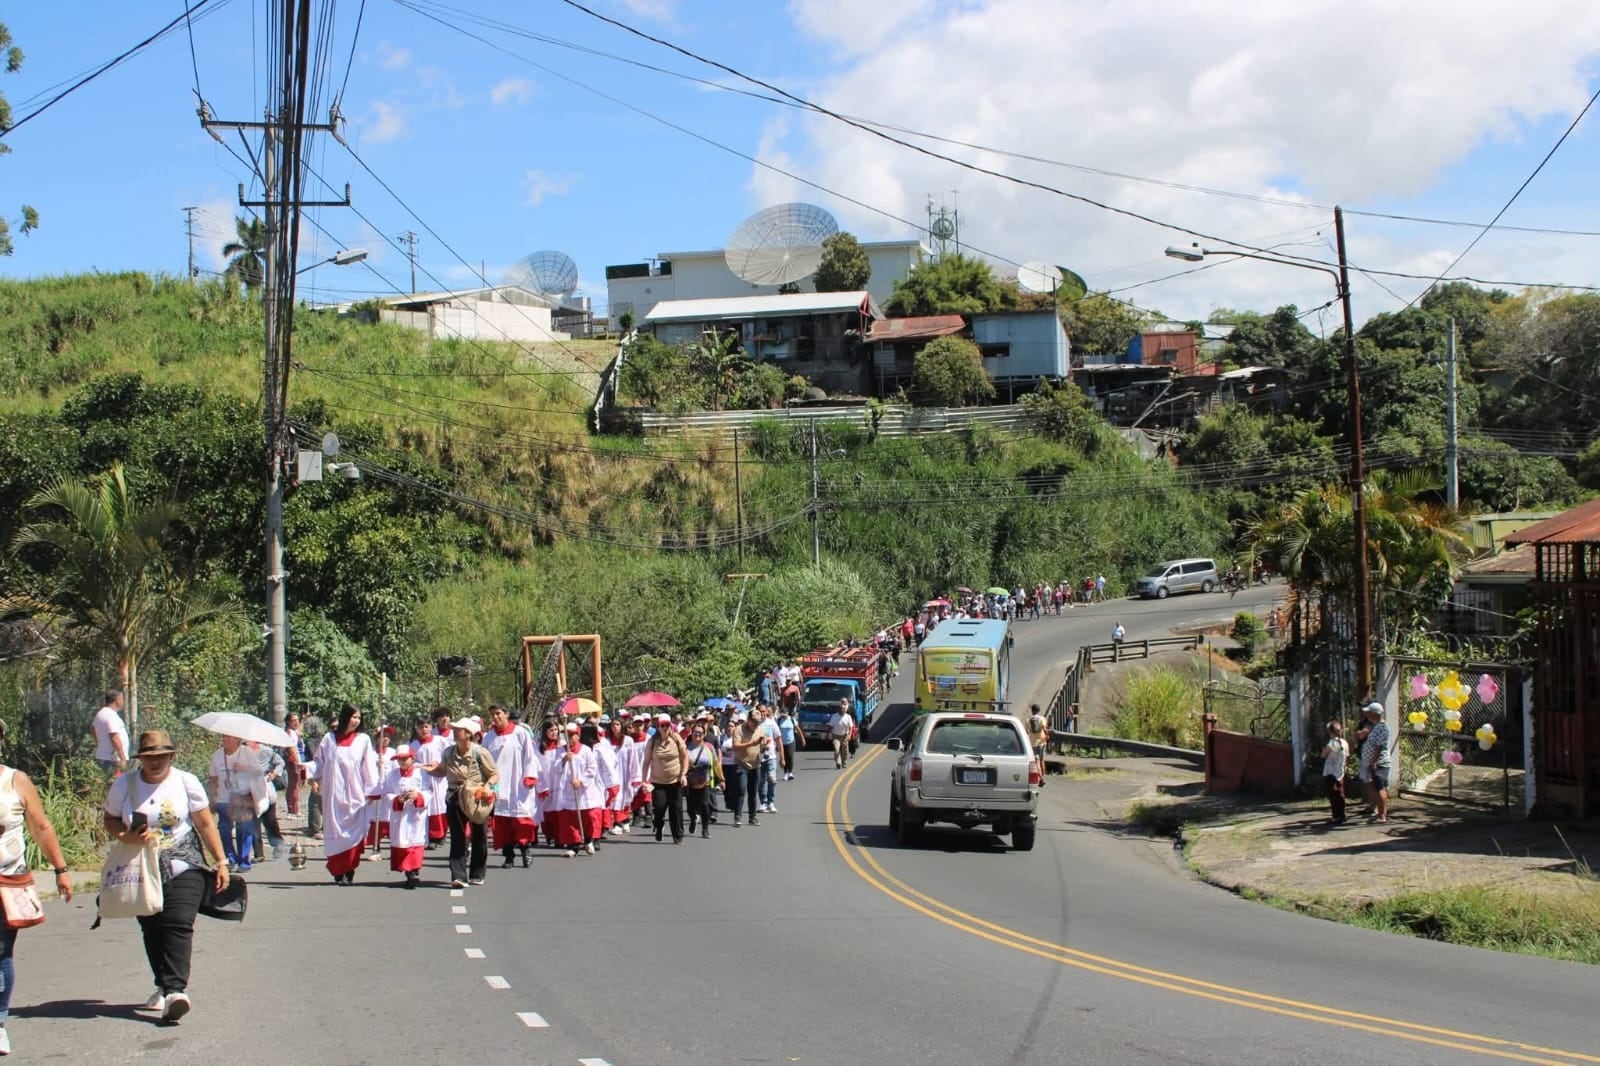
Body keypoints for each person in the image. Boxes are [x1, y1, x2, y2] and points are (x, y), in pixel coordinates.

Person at [103, 730, 229, 1026]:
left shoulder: (185, 782)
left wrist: (221, 860)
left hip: (184, 862)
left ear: (172, 756)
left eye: (161, 756)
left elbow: (204, 821)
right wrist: (126, 836)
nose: (156, 762)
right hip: (142, 867)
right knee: (152, 927)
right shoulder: (125, 784)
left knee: (178, 923)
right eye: (149, 757)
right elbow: (109, 819)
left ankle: (175, 991)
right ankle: (162, 982)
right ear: (141, 759)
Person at [0, 719, 73, 1055]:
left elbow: (41, 827)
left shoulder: (15, 781)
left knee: (0, 953)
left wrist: (61, 869)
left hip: (6, 882)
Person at [309, 704, 379, 885]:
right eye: (353, 717)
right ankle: (337, 870)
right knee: (335, 833)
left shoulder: (363, 739)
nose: (356, 721)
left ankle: (350, 870)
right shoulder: (329, 739)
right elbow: (319, 763)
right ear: (345, 717)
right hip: (333, 796)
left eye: (358, 717)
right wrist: (305, 770)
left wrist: (372, 789)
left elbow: (369, 766)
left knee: (353, 833)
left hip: (355, 795)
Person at [424, 718, 499, 886]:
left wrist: (488, 786)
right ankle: (458, 875)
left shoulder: (480, 753)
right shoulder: (448, 752)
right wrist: (431, 770)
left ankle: (477, 873)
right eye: (455, 729)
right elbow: (442, 771)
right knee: (457, 837)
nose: (455, 731)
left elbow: (494, 773)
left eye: (459, 729)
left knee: (479, 836)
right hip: (454, 797)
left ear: (469, 734)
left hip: (476, 798)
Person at [482, 704, 539, 869]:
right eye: (492, 714)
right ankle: (508, 855)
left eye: (498, 713)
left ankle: (525, 850)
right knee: (502, 822)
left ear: (506, 714)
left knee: (521, 819)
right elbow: (483, 761)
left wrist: (530, 776)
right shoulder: (488, 737)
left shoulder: (520, 733)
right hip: (497, 785)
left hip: (517, 782)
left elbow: (530, 756)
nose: (495, 717)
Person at [206, 734, 263, 873]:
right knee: (224, 829)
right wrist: (211, 798)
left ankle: (244, 861)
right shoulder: (218, 755)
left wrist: (243, 768)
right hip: (223, 798)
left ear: (238, 739)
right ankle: (230, 859)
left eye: (228, 737)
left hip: (242, 798)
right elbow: (213, 778)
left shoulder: (246, 752)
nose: (224, 739)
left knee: (244, 828)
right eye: (223, 736)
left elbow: (258, 772)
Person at [543, 723, 602, 857]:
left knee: (588, 816)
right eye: (566, 735)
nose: (569, 738)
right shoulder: (560, 750)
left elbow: (592, 768)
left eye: (572, 735)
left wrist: (581, 780)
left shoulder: (586, 750)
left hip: (584, 790)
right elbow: (556, 769)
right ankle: (573, 845)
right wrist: (564, 760)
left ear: (578, 735)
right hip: (568, 789)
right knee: (570, 818)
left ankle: (589, 840)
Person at [380, 745, 429, 888]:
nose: (402, 762)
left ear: (412, 758)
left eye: (405, 758)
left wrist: (418, 796)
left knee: (416, 839)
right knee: (402, 840)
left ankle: (414, 870)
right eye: (399, 759)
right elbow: (386, 793)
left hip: (416, 813)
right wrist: (396, 799)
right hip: (400, 815)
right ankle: (408, 870)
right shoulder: (392, 775)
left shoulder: (421, 774)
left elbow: (429, 791)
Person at [640, 712, 688, 843]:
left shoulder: (677, 739)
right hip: (658, 781)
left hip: (675, 780)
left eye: (667, 725)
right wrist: (644, 781)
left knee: (676, 808)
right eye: (662, 725)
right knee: (660, 807)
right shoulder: (652, 741)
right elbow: (646, 762)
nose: (665, 728)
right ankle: (659, 825)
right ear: (658, 726)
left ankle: (677, 836)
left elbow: (684, 757)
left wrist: (684, 774)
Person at [410, 715, 450, 848]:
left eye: (426, 726)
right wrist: (421, 766)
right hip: (423, 778)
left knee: (440, 804)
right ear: (416, 728)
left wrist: (439, 763)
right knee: (428, 806)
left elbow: (449, 754)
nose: (424, 729)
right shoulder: (414, 745)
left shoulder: (440, 740)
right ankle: (431, 835)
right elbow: (411, 762)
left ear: (431, 727)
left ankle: (442, 833)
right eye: (421, 727)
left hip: (439, 777)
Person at [682, 721, 720, 838]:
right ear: (691, 733)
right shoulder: (686, 747)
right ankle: (693, 818)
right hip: (690, 782)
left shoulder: (709, 747)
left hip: (705, 781)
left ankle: (705, 829)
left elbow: (715, 763)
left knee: (704, 804)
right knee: (690, 807)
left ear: (704, 735)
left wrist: (721, 779)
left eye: (700, 733)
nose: (697, 735)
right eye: (695, 733)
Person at [1359, 703, 1391, 825]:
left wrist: (1374, 761)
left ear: (1374, 714)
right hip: (1373, 762)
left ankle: (1382, 815)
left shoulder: (1383, 727)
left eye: (1369, 712)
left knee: (1380, 787)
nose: (1367, 714)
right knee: (1375, 787)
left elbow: (1379, 746)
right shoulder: (1377, 726)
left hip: (1379, 763)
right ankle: (1379, 812)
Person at [729, 713, 765, 826]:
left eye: (758, 722)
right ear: (748, 720)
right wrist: (751, 743)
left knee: (753, 792)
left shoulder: (759, 729)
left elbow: (761, 745)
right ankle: (738, 816)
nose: (756, 724)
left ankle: (752, 817)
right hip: (742, 764)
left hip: (756, 765)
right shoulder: (739, 729)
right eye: (754, 722)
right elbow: (735, 746)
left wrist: (764, 746)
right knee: (741, 789)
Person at [91, 689, 129, 775]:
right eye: (122, 699)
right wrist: (122, 758)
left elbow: (92, 728)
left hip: (105, 757)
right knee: (116, 785)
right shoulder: (110, 715)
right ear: (117, 700)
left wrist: (99, 742)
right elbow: (114, 737)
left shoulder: (101, 713)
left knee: (107, 784)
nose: (123, 702)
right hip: (113, 760)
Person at [1321, 721, 1349, 826]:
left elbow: (1323, 755)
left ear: (1330, 732)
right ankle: (1342, 814)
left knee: (1333, 794)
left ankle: (1336, 816)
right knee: (1340, 793)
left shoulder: (1331, 744)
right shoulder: (1345, 743)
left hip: (1330, 771)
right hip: (1340, 770)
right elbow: (1347, 756)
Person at [282, 712, 305, 818]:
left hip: (298, 759)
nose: (296, 722)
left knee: (297, 784)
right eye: (293, 720)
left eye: (297, 720)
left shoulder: (294, 731)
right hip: (294, 761)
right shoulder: (290, 733)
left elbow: (299, 729)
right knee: (294, 785)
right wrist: (298, 763)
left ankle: (293, 809)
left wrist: (304, 718)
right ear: (288, 722)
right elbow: (292, 749)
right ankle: (293, 810)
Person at [828, 698, 854, 771]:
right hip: (836, 736)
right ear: (838, 710)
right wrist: (828, 735)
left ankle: (844, 762)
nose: (842, 710)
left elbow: (851, 727)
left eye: (843, 709)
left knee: (845, 750)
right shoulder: (834, 716)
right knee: (837, 749)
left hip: (844, 736)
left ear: (845, 709)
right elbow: (830, 726)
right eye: (840, 709)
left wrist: (849, 735)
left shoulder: (848, 717)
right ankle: (838, 762)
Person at [774, 704, 798, 781]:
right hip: (781, 742)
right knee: (784, 758)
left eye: (785, 714)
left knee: (790, 756)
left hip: (791, 741)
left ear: (787, 713)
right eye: (782, 714)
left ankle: (790, 772)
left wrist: (802, 739)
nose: (783, 716)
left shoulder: (792, 720)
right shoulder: (778, 721)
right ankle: (785, 773)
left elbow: (798, 729)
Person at [1027, 705, 1050, 786]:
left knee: (1036, 761)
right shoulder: (1042, 719)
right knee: (1041, 760)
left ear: (1032, 711)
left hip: (1033, 743)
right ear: (1039, 710)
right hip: (1042, 742)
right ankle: (1043, 777)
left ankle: (1040, 778)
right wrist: (1047, 735)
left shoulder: (1028, 720)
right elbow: (1044, 728)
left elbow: (1027, 731)